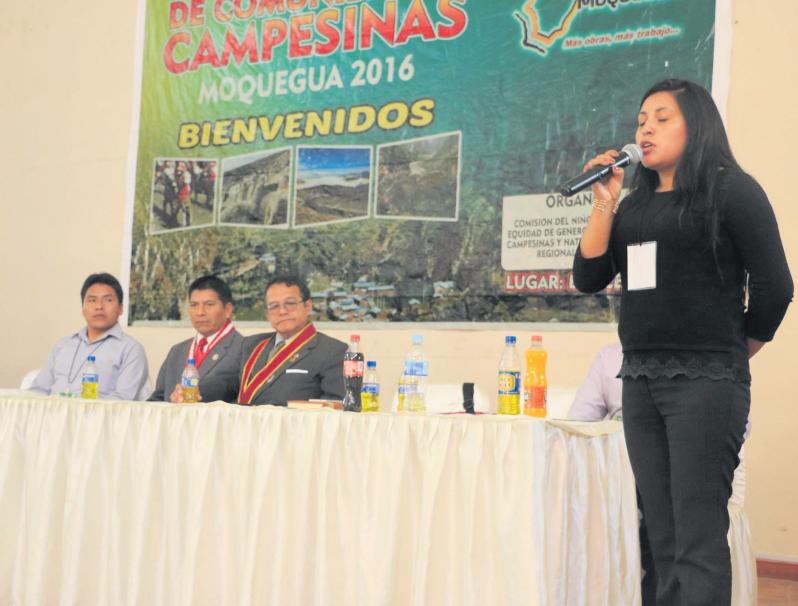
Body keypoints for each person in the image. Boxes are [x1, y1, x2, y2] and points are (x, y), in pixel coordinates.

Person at [572, 79, 792, 605]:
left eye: (661, 118)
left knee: (696, 537)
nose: (645, 129)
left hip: (706, 383)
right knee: (661, 536)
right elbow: (588, 277)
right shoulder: (633, 207)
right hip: (640, 382)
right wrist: (605, 201)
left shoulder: (732, 191)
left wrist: (735, 351)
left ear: (697, 125)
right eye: (640, 120)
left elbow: (776, 286)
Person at [29, 273, 149, 400]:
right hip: (53, 412)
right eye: (92, 300)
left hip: (98, 413)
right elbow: (37, 392)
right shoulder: (62, 346)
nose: (99, 306)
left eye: (108, 300)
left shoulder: (131, 350)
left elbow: (122, 401)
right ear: (83, 308)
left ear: (121, 309)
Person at [238, 275, 347, 405]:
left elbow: (335, 407)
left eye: (290, 303)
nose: (282, 311)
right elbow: (229, 393)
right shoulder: (251, 344)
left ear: (308, 306)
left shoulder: (333, 351)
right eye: (274, 306)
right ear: (267, 314)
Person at [149, 275, 243, 403]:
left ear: (227, 310)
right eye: (194, 305)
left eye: (209, 305)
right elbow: (158, 398)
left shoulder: (243, 348)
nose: (200, 312)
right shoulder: (177, 351)